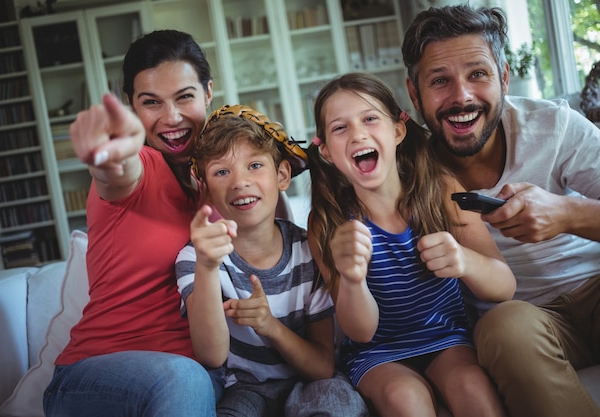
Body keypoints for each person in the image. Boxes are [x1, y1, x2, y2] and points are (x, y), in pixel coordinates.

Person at [401, 5, 600, 417]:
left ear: (503, 77)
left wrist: (567, 213)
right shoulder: (410, 172)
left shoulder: (555, 125)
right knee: (503, 326)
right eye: (440, 81)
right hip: (525, 323)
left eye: (477, 74)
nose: (461, 96)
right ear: (414, 94)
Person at [306, 72, 515, 417]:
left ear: (397, 131)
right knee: (405, 396)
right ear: (326, 152)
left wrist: (464, 260)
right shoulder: (328, 222)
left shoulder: (441, 191)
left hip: (446, 336)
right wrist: (353, 278)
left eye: (370, 119)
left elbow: (504, 286)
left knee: (471, 387)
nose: (358, 133)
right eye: (340, 128)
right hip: (377, 353)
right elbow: (360, 331)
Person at [43, 30, 224, 417]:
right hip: (94, 377)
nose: (171, 117)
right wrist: (108, 155)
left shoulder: (219, 180)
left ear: (208, 92)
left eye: (185, 97)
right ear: (131, 107)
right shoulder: (142, 166)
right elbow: (116, 172)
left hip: (195, 378)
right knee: (184, 378)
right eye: (151, 103)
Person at [175, 104, 369, 417]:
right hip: (244, 388)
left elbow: (321, 367)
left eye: (254, 165)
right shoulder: (196, 257)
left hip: (311, 383)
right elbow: (211, 355)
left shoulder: (309, 249)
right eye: (222, 172)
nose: (239, 181)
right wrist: (208, 267)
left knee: (339, 401)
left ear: (282, 175)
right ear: (207, 190)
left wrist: (269, 326)